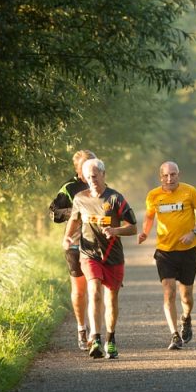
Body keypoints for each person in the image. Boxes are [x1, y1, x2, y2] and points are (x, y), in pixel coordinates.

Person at [62, 158, 137, 359]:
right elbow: (74, 219)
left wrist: (115, 230)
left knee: (111, 298)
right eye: (88, 177)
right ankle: (95, 338)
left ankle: (110, 339)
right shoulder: (79, 198)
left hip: (113, 256)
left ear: (103, 175)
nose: (92, 180)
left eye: (95, 176)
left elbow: (133, 227)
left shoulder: (116, 199)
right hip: (89, 253)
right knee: (93, 290)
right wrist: (67, 237)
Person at [138, 161, 196, 350]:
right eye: (166, 175)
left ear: (179, 174)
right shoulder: (153, 195)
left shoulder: (189, 192)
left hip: (187, 252)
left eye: (173, 174)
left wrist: (193, 233)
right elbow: (150, 217)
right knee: (169, 293)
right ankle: (174, 335)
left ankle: (186, 318)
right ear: (160, 176)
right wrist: (144, 233)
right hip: (164, 252)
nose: (170, 178)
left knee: (186, 297)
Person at [49, 149, 97, 350]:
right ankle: (81, 329)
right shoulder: (69, 188)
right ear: (77, 169)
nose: (90, 169)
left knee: (95, 289)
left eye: (93, 165)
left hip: (96, 243)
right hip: (75, 244)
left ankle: (96, 333)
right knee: (79, 290)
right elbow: (54, 213)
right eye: (86, 166)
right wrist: (76, 213)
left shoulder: (100, 185)